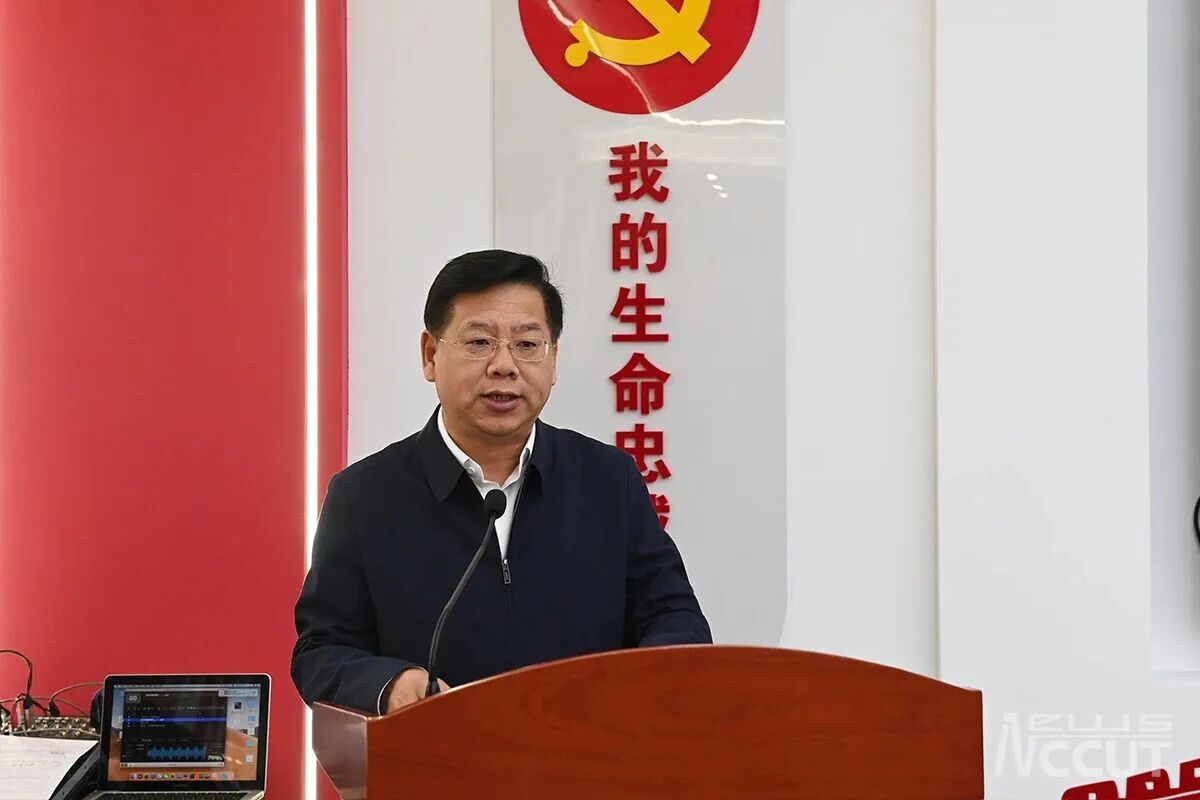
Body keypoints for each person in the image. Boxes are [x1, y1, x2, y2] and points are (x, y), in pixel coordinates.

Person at [291, 249, 711, 714]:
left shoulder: (609, 480)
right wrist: (388, 684)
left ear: (553, 360)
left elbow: (674, 615)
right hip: (436, 752)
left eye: (528, 345)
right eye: (479, 342)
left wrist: (645, 680)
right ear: (430, 355)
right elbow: (321, 652)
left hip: (588, 749)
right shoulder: (364, 495)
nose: (504, 366)